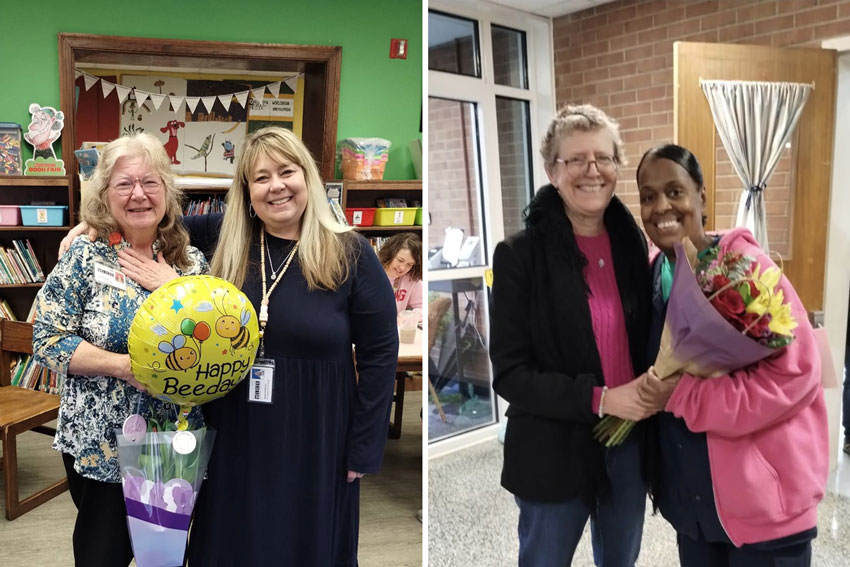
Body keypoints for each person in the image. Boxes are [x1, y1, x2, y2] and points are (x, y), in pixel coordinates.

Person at [73, 127, 399, 565]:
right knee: (233, 539)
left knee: (305, 540)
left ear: (308, 179)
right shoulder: (224, 237)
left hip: (315, 432)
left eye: (287, 172)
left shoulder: (352, 254)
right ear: (246, 192)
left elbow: (380, 358)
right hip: (235, 427)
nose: (276, 186)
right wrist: (93, 224)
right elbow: (147, 214)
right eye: (261, 177)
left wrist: (364, 446)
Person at [635, 143, 828, 567]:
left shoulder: (745, 270)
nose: (660, 206)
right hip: (695, 512)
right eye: (647, 196)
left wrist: (683, 396)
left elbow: (796, 375)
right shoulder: (653, 277)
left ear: (701, 196)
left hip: (765, 513)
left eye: (674, 191)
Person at [488, 104, 655, 567]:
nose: (592, 171)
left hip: (629, 443)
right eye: (576, 159)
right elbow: (511, 374)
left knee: (621, 560)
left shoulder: (632, 243)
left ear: (617, 165)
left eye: (603, 158)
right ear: (551, 170)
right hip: (551, 449)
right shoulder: (521, 255)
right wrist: (601, 398)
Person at [32, 132, 208, 567]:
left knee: (164, 558)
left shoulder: (193, 263)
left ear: (167, 190)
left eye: (150, 182)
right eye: (124, 184)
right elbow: (46, 340)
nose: (138, 195)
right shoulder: (84, 255)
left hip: (173, 440)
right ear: (104, 195)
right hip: (101, 445)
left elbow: (213, 344)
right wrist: (124, 366)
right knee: (101, 554)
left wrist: (177, 290)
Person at [377, 231, 423, 315]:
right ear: (390, 254)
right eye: (400, 260)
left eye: (410, 264)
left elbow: (424, 308)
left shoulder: (411, 278)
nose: (402, 268)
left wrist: (409, 316)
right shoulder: (372, 273)